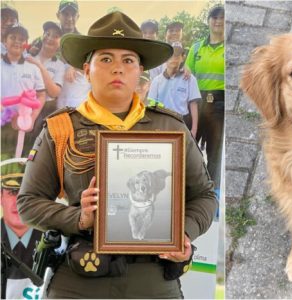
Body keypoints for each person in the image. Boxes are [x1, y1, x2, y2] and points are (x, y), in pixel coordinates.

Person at [17, 11, 216, 298]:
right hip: (80, 278)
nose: (118, 69)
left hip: (154, 278)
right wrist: (78, 217)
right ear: (87, 69)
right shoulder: (61, 128)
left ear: (140, 71)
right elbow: (28, 202)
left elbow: (204, 196)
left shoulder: (170, 127)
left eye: (128, 60)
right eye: (106, 59)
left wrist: (182, 233)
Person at [185, 5, 225, 194]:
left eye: (222, 18)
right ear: (208, 21)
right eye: (214, 17)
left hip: (220, 103)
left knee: (214, 151)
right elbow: (187, 75)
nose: (217, 21)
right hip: (197, 102)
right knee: (190, 147)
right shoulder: (196, 48)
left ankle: (212, 192)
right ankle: (187, 187)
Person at [1, 24, 46, 159]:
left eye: (21, 39)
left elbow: (41, 95)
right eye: (12, 37)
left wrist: (31, 119)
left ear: (26, 43)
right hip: (2, 123)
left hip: (23, 125)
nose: (17, 41)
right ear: (4, 41)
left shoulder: (33, 68)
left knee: (20, 163)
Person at [1, 170, 43, 300]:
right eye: (12, 192)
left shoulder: (56, 242)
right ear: (1, 197)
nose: (19, 201)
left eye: (25, 193)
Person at [25, 21, 65, 148]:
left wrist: (39, 66)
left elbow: (54, 92)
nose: (50, 38)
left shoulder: (60, 66)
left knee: (38, 151)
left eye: (55, 36)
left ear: (60, 43)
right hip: (24, 109)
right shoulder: (26, 57)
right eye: (47, 34)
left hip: (47, 113)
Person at [149, 42, 200, 138]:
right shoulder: (157, 81)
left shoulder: (189, 79)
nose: (174, 59)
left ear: (182, 58)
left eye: (177, 56)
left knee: (182, 150)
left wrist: (194, 130)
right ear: (165, 58)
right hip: (162, 122)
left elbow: (193, 104)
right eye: (171, 56)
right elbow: (152, 105)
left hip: (183, 121)